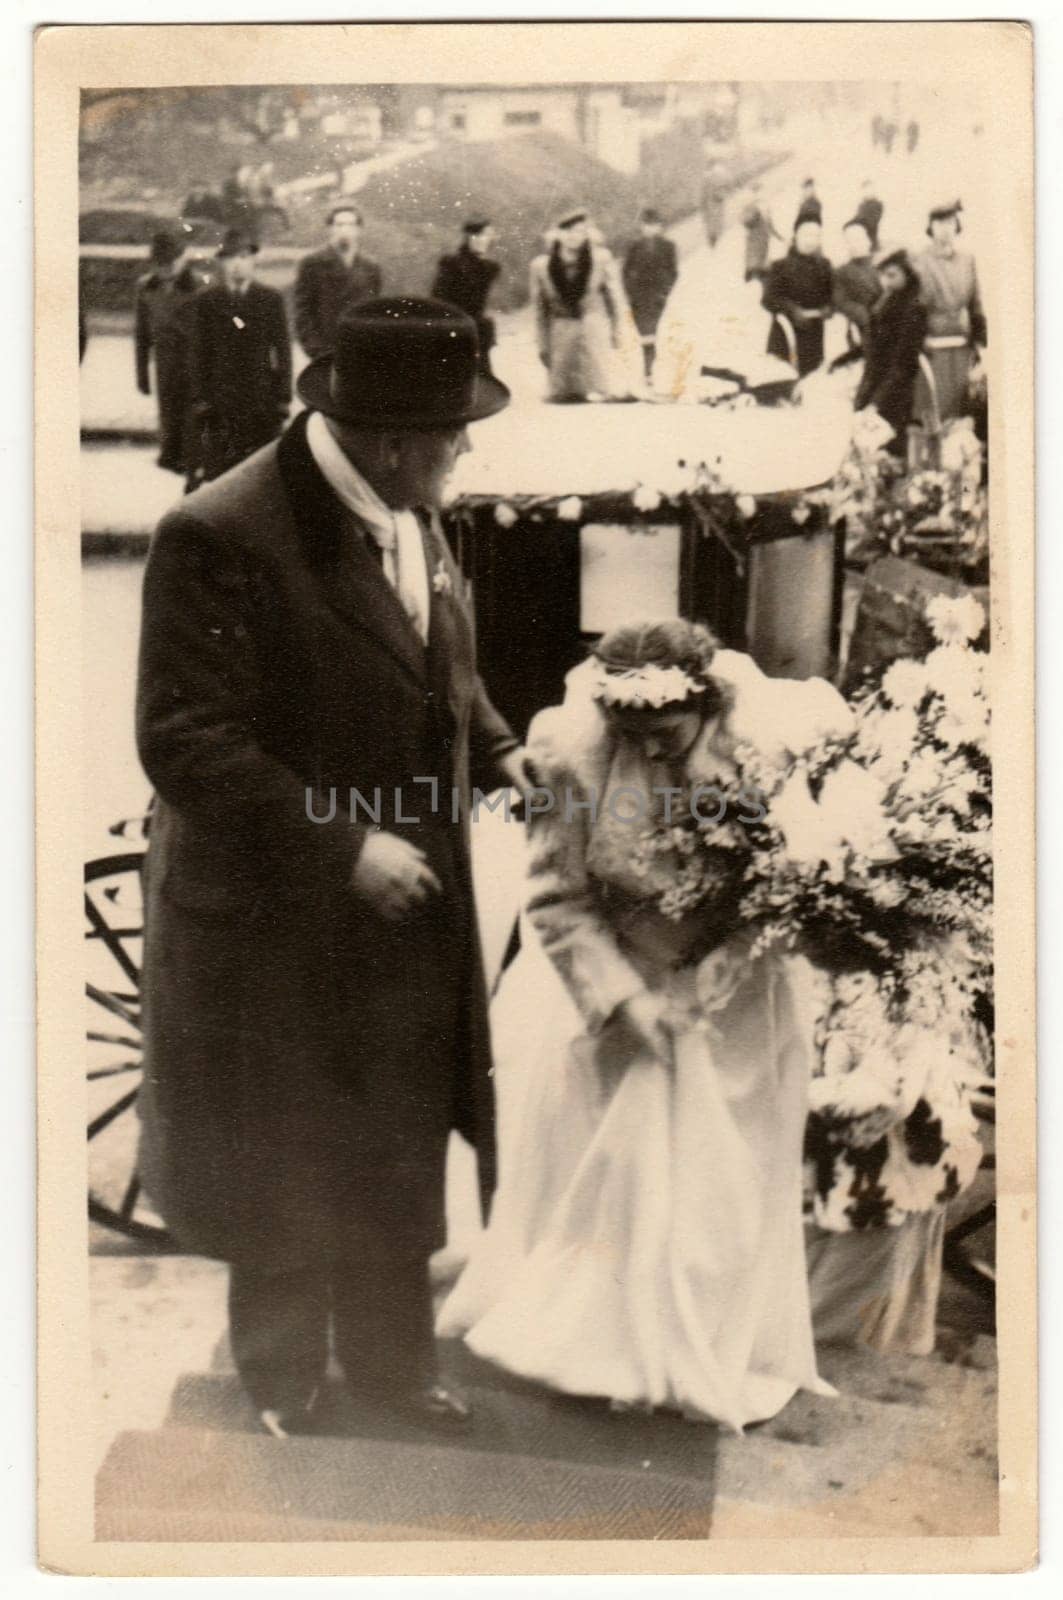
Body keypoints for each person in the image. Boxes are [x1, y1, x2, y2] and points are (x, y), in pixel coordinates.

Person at [136, 297, 533, 1440]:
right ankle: (281, 1379)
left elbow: (437, 660)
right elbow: (184, 741)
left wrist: (501, 752)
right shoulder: (219, 533)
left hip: (407, 902)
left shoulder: (407, 504)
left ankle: (391, 1366)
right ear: (395, 437)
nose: (465, 449)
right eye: (455, 431)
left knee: (396, 1132)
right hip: (276, 910)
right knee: (285, 1145)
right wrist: (344, 847)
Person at [438, 622, 850, 1431]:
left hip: (733, 997)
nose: (649, 755)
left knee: (720, 1187)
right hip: (616, 986)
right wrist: (625, 1001)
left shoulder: (764, 747)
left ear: (704, 707)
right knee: (617, 1176)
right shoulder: (569, 754)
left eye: (664, 737)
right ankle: (612, 1355)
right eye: (631, 739)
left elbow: (787, 889)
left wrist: (709, 978)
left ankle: (708, 1343)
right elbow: (556, 899)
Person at [186, 228, 292, 486]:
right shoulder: (208, 300)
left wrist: (282, 397)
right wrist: (200, 398)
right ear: (222, 263)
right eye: (231, 258)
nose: (237, 265)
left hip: (261, 400)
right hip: (220, 402)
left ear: (253, 261)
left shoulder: (270, 299)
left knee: (262, 476)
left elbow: (283, 350)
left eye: (244, 257)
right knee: (220, 475)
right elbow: (198, 353)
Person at [530, 209, 634, 402]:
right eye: (567, 230)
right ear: (557, 234)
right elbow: (539, 310)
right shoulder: (542, 266)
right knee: (564, 397)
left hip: (594, 333)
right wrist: (542, 344)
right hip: (561, 338)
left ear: (587, 234)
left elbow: (615, 299)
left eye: (579, 231)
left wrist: (618, 331)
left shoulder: (600, 259)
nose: (572, 236)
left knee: (602, 392)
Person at [134, 231, 212, 476]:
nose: (165, 270)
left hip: (194, 360)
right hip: (165, 362)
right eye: (160, 264)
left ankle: (192, 464)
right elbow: (142, 334)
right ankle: (172, 457)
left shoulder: (200, 286)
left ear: (182, 259)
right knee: (168, 412)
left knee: (193, 415)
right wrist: (142, 375)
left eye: (170, 263)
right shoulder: (146, 287)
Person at [913, 200, 986, 423]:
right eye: (939, 223)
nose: (945, 228)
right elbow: (915, 308)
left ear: (957, 226)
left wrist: (981, 342)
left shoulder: (968, 260)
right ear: (930, 228)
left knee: (963, 406)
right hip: (932, 346)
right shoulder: (919, 262)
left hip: (962, 344)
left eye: (950, 222)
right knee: (935, 407)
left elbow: (975, 303)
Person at [852, 249, 929, 454]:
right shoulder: (880, 301)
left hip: (895, 393)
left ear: (907, 275)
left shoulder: (912, 309)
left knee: (888, 450)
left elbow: (903, 364)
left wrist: (877, 403)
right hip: (873, 384)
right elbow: (870, 346)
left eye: (892, 275)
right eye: (882, 275)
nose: (885, 281)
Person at [293, 203, 383, 359]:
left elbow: (374, 311)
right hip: (325, 352)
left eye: (350, 224)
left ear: (359, 230)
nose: (345, 230)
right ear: (330, 228)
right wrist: (316, 350)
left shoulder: (371, 267)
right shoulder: (312, 263)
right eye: (339, 224)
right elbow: (303, 312)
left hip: (361, 351)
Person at [762, 220, 834, 377]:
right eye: (806, 235)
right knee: (783, 377)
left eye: (816, 236)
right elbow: (768, 299)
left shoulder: (824, 265)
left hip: (813, 333)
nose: (810, 240)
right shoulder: (780, 266)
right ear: (796, 236)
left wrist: (828, 308)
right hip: (785, 333)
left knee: (810, 379)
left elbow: (832, 294)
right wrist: (792, 309)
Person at [431, 218, 502, 373]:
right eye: (483, 235)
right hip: (454, 328)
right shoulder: (451, 263)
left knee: (481, 378)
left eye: (490, 235)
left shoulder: (490, 267)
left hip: (478, 330)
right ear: (470, 237)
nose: (488, 240)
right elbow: (439, 298)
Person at [620, 208, 678, 379]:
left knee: (660, 333)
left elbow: (673, 271)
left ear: (660, 227)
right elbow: (625, 271)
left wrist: (667, 291)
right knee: (645, 335)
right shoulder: (634, 246)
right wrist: (629, 293)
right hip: (640, 297)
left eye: (654, 225)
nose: (651, 229)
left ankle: (656, 370)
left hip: (660, 296)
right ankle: (648, 371)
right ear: (641, 226)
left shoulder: (668, 246)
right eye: (647, 225)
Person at [831, 220, 881, 346]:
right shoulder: (841, 272)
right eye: (849, 240)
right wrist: (866, 316)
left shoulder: (883, 265)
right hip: (864, 326)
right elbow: (841, 302)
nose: (854, 244)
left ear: (868, 240)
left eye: (859, 238)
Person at [739, 182, 781, 283]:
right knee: (767, 277)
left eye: (760, 192)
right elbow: (746, 221)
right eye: (756, 192)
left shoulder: (764, 206)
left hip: (764, 248)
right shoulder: (751, 209)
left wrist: (780, 238)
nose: (760, 194)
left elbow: (770, 226)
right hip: (759, 253)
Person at [700, 164, 728, 249]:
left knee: (711, 225)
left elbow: (702, 197)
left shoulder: (705, 180)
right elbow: (720, 194)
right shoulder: (715, 179)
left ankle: (712, 243)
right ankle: (714, 243)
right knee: (715, 225)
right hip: (714, 206)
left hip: (709, 206)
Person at [853, 180, 884, 251]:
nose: (867, 192)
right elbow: (857, 217)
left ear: (873, 191)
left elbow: (872, 222)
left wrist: (859, 221)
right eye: (865, 190)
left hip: (870, 239)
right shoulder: (862, 205)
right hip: (860, 238)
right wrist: (849, 224)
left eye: (869, 190)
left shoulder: (877, 204)